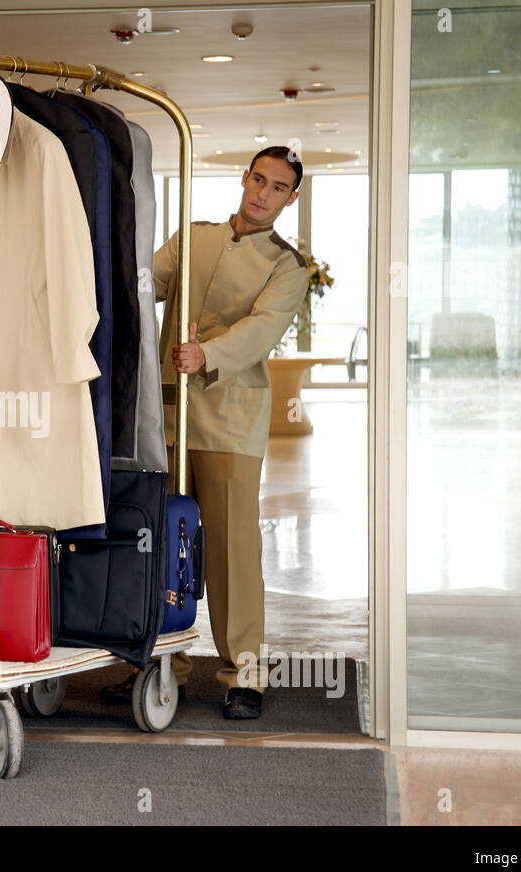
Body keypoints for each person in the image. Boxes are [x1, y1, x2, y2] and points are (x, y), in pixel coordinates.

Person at [101, 146, 308, 719]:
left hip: (230, 421)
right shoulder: (196, 237)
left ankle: (246, 674)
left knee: (232, 550)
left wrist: (205, 354)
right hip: (167, 415)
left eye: (278, 187)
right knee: (159, 540)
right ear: (244, 179)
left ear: (292, 198)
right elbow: (144, 283)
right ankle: (159, 662)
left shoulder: (288, 266)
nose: (263, 193)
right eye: (258, 180)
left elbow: (261, 332)